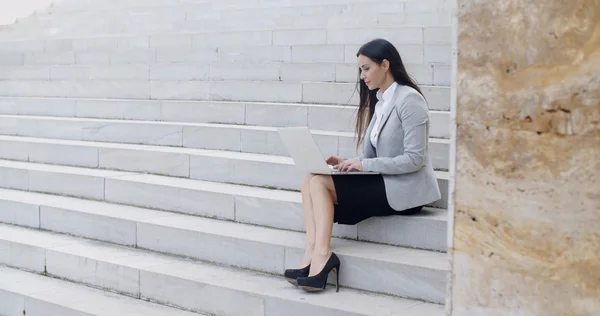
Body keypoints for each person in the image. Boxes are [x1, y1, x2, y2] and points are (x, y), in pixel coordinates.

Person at [283, 38, 442, 292]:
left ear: (385, 65)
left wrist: (363, 164)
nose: (361, 76)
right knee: (310, 178)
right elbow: (376, 155)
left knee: (320, 183)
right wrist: (347, 163)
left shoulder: (409, 100)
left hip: (405, 189)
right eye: (360, 69)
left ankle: (323, 255)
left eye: (366, 68)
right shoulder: (381, 102)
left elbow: (415, 160)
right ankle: (311, 252)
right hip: (384, 180)